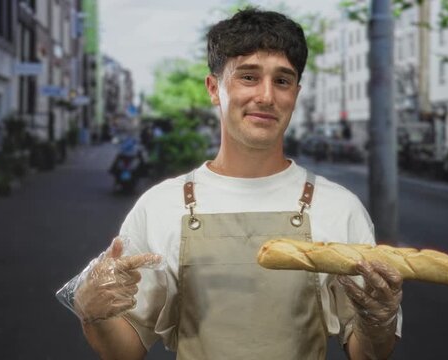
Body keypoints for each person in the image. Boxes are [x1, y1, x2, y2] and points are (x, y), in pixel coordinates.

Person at [72, 8, 402, 360]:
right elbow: (123, 351)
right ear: (214, 88)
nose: (266, 96)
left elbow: (368, 354)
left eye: (282, 80)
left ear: (296, 93)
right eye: (248, 77)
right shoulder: (160, 206)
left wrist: (379, 321)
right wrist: (94, 313)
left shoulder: (340, 208)